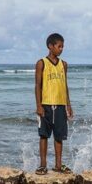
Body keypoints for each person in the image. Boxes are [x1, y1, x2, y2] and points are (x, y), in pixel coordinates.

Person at [34, 33, 73, 175]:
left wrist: (68, 104)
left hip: (61, 105)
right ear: (50, 46)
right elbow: (37, 85)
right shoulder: (41, 63)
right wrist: (38, 105)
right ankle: (43, 165)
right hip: (46, 105)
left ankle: (58, 165)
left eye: (63, 46)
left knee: (59, 136)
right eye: (59, 46)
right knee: (44, 135)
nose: (61, 49)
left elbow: (65, 85)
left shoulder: (64, 64)